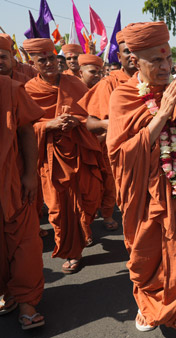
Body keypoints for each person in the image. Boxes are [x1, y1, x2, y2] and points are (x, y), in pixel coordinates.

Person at [107, 22, 176, 337]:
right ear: (134, 61)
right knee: (147, 258)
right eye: (156, 61)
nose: (165, 66)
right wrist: (160, 115)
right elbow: (120, 156)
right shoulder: (122, 97)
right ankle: (151, 307)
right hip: (144, 198)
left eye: (168, 59)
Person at [23, 38, 104, 273]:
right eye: (42, 60)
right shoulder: (29, 90)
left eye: (52, 58)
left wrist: (74, 121)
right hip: (50, 159)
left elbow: (92, 116)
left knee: (89, 199)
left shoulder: (75, 84)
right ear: (33, 63)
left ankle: (83, 232)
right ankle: (71, 251)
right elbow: (26, 128)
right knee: (58, 209)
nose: (49, 63)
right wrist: (50, 125)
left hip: (80, 152)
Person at [78, 30, 136, 232]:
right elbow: (90, 123)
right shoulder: (109, 83)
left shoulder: (155, 81)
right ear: (119, 57)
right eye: (126, 51)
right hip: (120, 157)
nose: (131, 55)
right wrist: (108, 125)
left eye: (135, 50)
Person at [0, 74, 46, 330]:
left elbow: (26, 130)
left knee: (25, 243)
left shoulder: (9, 88)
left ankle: (28, 302)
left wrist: (30, 174)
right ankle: (8, 292)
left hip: (13, 181)